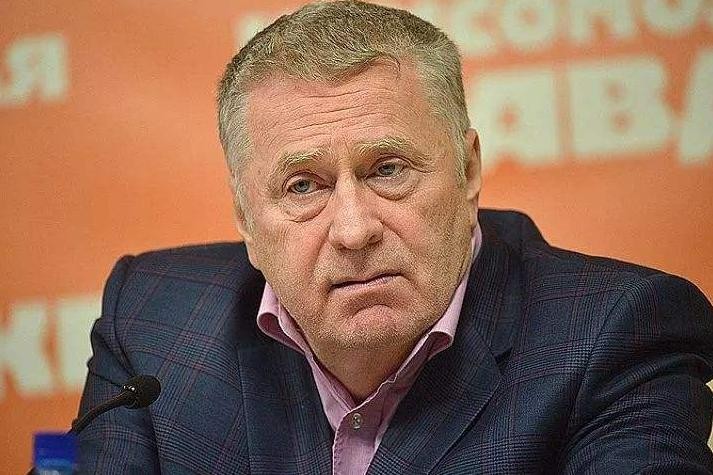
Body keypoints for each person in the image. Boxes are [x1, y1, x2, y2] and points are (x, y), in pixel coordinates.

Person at [77, 1, 713, 473]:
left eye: (388, 171)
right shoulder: (152, 321)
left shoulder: (617, 333)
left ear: (468, 170)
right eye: (304, 186)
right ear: (244, 215)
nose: (354, 230)